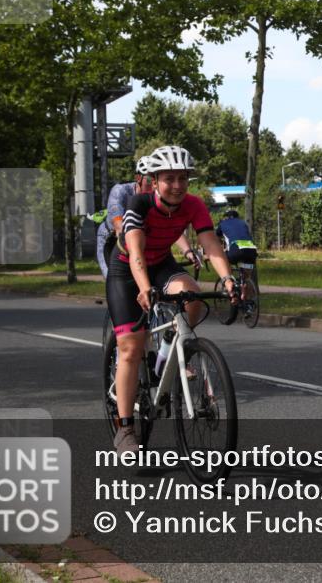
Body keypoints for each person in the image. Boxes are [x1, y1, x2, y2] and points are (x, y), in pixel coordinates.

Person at [106, 145, 237, 454]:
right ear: (154, 181)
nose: (177, 186)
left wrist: (228, 280)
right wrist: (144, 288)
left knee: (191, 294)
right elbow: (135, 253)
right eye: (169, 179)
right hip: (127, 271)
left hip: (162, 263)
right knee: (131, 347)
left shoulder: (193, 205)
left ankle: (168, 351)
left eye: (183, 179)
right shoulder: (138, 205)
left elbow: (211, 244)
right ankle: (125, 429)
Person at [96, 157, 201, 279]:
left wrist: (188, 251)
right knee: (114, 278)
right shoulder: (121, 192)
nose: (153, 187)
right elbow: (118, 224)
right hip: (112, 239)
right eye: (149, 181)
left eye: (155, 181)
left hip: (143, 240)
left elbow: (170, 226)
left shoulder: (158, 199)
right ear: (138, 179)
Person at [215, 207, 257, 299]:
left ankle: (230, 284)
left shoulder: (223, 223)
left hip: (236, 249)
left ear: (227, 217)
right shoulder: (243, 223)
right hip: (251, 249)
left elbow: (216, 239)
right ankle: (245, 292)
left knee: (223, 261)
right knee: (246, 277)